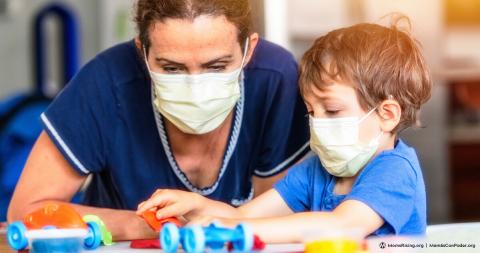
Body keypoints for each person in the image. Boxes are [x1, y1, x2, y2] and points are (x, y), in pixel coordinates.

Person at [7, 0, 309, 240]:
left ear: (248, 50)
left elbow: (284, 210)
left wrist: (216, 223)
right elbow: (25, 211)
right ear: (143, 52)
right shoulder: (106, 84)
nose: (196, 87)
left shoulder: (274, 80)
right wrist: (146, 226)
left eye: (216, 66)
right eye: (172, 68)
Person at [136, 18, 433, 243]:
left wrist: (230, 228)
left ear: (387, 115)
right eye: (312, 111)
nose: (317, 123)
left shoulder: (395, 171)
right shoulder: (317, 172)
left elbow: (344, 226)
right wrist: (198, 207)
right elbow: (244, 217)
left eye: (332, 110)